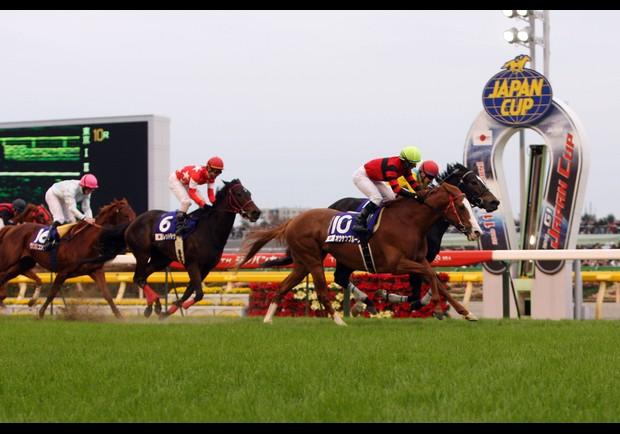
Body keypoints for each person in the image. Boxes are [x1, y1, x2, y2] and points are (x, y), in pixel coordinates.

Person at [351, 146, 424, 234]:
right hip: (362, 176)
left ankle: (381, 219)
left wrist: (423, 192)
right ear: (405, 162)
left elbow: (412, 182)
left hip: (374, 177)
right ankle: (359, 222)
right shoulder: (392, 166)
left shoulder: (405, 168)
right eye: (412, 164)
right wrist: (415, 196)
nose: (415, 166)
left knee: (391, 198)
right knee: (376, 198)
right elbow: (396, 189)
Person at [41, 174, 98, 250]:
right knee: (60, 218)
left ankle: (67, 242)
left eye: (92, 189)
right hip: (53, 195)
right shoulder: (71, 189)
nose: (91, 191)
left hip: (64, 199)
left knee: (72, 221)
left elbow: (86, 208)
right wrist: (85, 218)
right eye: (89, 189)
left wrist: (90, 219)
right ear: (83, 186)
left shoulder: (88, 192)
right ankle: (48, 241)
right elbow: (72, 208)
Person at [169, 156, 224, 235]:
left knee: (203, 202)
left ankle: (200, 224)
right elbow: (192, 193)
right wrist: (203, 204)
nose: (216, 174)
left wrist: (217, 205)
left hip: (187, 183)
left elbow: (211, 195)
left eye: (219, 172)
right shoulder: (197, 174)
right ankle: (179, 225)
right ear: (208, 168)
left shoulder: (211, 178)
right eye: (215, 171)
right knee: (186, 202)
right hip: (175, 180)